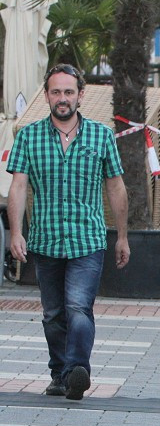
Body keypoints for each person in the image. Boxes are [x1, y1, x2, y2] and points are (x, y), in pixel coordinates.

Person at [5, 63, 129, 400]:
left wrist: (122, 236)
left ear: (81, 95)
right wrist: (16, 233)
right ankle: (60, 374)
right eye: (56, 92)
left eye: (69, 92)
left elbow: (116, 187)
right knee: (53, 314)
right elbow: (17, 187)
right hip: (44, 241)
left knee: (78, 307)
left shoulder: (101, 135)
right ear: (47, 95)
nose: (63, 98)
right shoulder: (29, 136)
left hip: (87, 240)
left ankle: (78, 370)